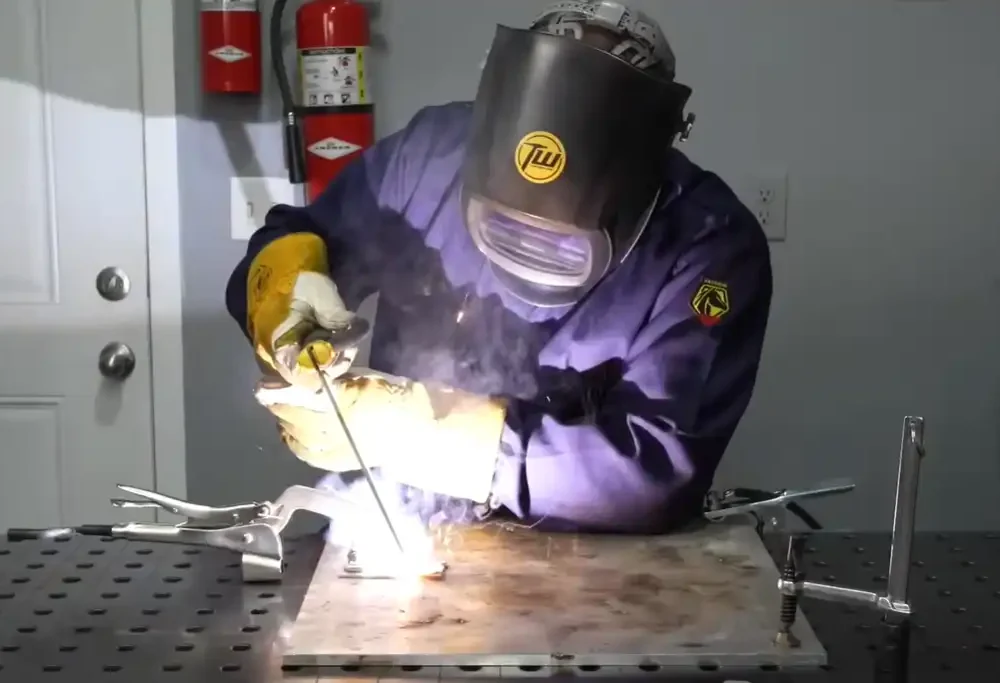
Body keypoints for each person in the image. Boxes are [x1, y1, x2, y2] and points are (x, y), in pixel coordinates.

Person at [225, 1, 773, 534]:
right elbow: (304, 236)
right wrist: (287, 301)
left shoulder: (710, 245)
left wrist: (428, 433)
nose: (532, 242)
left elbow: (654, 466)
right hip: (400, 517)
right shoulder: (430, 154)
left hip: (588, 557)